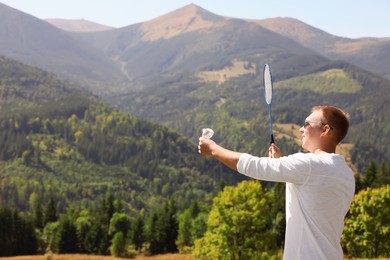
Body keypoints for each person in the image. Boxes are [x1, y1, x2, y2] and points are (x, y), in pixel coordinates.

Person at [198, 106, 355, 260]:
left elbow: (253, 165)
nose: (301, 129)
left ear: (325, 130)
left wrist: (213, 149)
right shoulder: (346, 174)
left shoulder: (308, 165)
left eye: (306, 124)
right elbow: (313, 193)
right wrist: (280, 164)